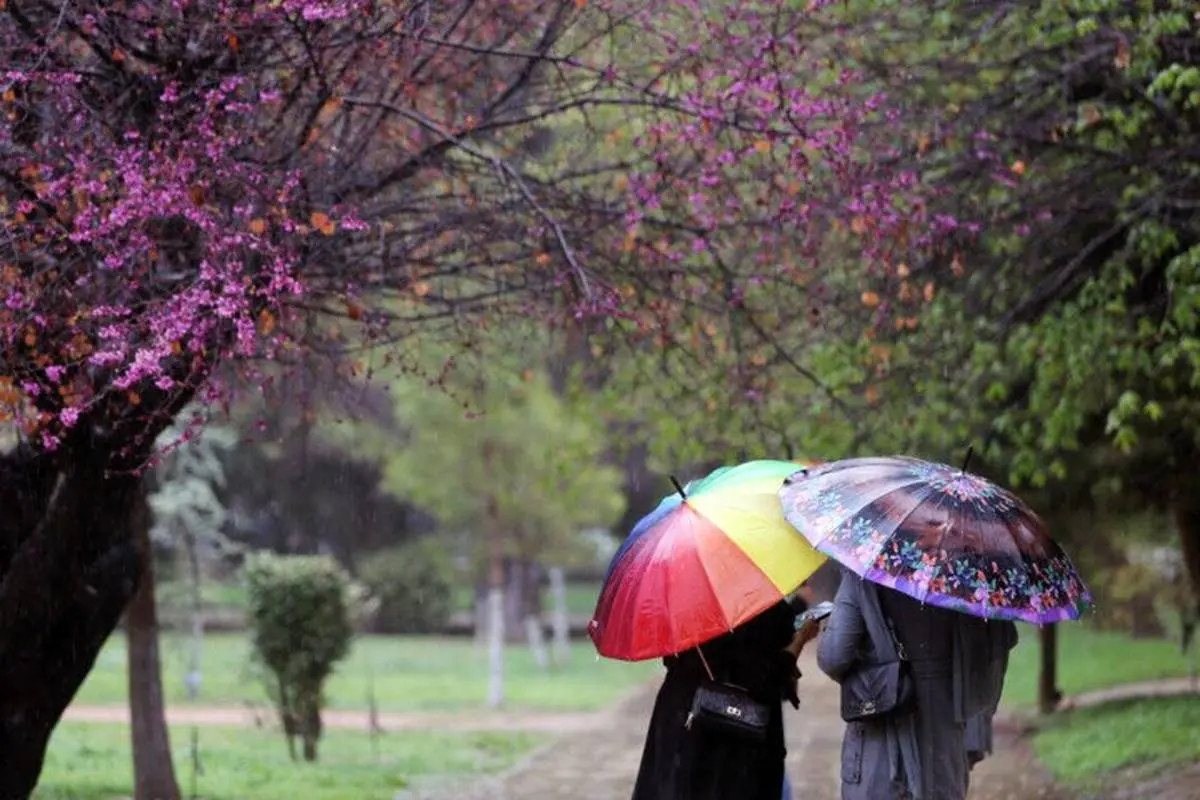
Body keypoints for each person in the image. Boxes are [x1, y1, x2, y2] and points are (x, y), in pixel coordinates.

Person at [816, 571, 1012, 800]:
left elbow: (833, 657)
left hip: (879, 743)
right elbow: (989, 655)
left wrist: (831, 626)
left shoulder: (864, 572)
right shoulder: (966, 573)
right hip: (943, 738)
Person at [631, 600, 820, 800]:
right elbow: (767, 677)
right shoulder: (758, 600)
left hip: (680, 714)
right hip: (737, 733)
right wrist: (800, 639)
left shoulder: (677, 599)